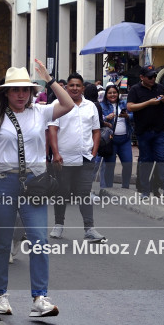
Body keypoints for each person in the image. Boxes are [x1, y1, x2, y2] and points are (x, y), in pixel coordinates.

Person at [0, 60, 73, 319]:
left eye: (26, 90)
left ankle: (40, 298)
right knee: (1, 241)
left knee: (39, 240)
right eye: (16, 90)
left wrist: (50, 80)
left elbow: (67, 105)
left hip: (34, 184)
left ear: (32, 92)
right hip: (1, 183)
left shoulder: (40, 112)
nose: (21, 95)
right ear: (6, 93)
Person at [49, 73, 105, 242]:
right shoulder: (57, 104)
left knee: (84, 194)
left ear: (83, 88)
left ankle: (89, 229)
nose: (74, 88)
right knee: (61, 193)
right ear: (66, 87)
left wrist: (94, 152)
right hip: (63, 159)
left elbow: (96, 131)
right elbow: (52, 130)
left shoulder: (91, 106)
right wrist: (55, 153)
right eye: (71, 85)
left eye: (77, 85)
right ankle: (58, 226)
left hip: (85, 158)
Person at [126, 65, 164, 198]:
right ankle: (144, 190)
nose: (153, 78)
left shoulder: (159, 87)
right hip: (143, 132)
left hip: (159, 130)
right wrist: (148, 103)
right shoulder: (135, 90)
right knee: (145, 160)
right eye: (150, 77)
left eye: (154, 76)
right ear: (142, 77)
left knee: (161, 159)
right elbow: (130, 107)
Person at [99, 84, 133, 190]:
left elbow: (134, 115)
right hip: (110, 140)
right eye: (110, 93)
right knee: (110, 165)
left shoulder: (124, 103)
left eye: (114, 92)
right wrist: (106, 118)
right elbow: (98, 120)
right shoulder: (102, 105)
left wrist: (127, 116)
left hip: (125, 139)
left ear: (118, 94)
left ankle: (125, 187)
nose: (112, 95)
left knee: (128, 164)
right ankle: (107, 189)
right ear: (106, 94)